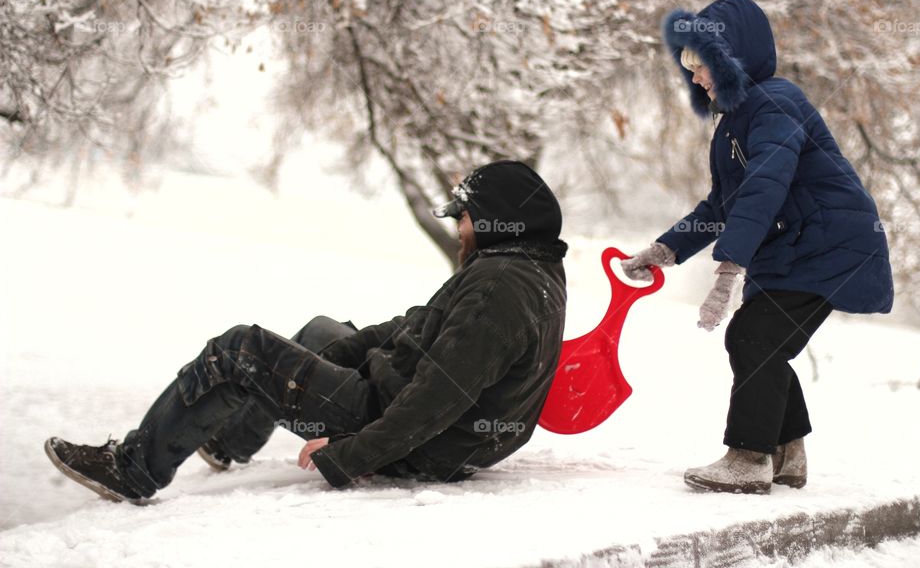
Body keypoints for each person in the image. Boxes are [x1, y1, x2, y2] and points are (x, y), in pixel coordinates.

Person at [45, 160, 568, 502]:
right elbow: (417, 326)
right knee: (321, 333)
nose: (459, 227)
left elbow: (441, 397)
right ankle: (229, 443)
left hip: (419, 440)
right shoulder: (525, 268)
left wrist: (348, 457)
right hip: (417, 416)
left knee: (239, 349)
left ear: (498, 220)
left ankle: (134, 469)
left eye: (465, 217)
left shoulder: (499, 285)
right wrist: (333, 356)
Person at [622, 0, 894, 494]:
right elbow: (724, 205)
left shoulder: (774, 102)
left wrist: (728, 272)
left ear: (730, 59)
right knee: (758, 339)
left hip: (830, 247)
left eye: (700, 62)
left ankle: (750, 457)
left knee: (754, 336)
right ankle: (786, 455)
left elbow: (764, 186)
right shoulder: (739, 117)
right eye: (687, 63)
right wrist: (664, 250)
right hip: (800, 248)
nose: (694, 74)